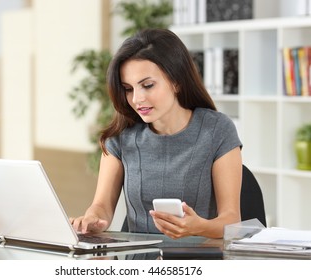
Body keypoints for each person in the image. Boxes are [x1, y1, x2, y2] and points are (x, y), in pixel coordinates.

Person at [71, 28, 242, 239]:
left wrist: (198, 227)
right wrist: (92, 219)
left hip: (199, 263)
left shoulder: (217, 130)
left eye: (147, 85)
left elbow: (232, 220)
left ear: (176, 81)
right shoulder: (121, 137)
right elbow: (101, 206)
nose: (136, 99)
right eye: (128, 88)